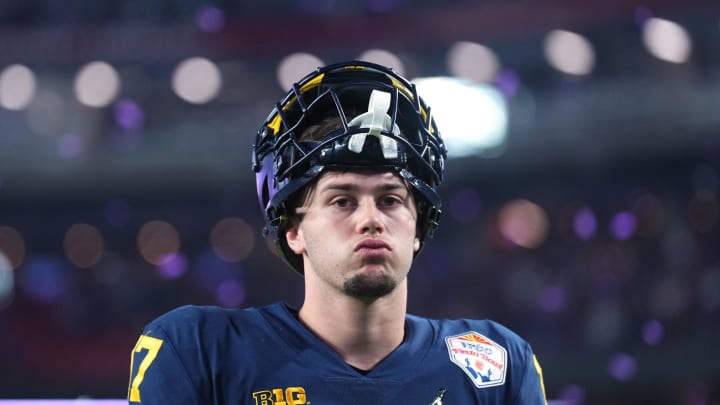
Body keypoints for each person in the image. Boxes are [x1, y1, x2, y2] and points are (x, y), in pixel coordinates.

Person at [127, 60, 547, 404]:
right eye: (342, 200)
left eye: (391, 199)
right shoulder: (198, 350)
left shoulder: (497, 365)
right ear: (293, 230)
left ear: (418, 228)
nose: (371, 219)